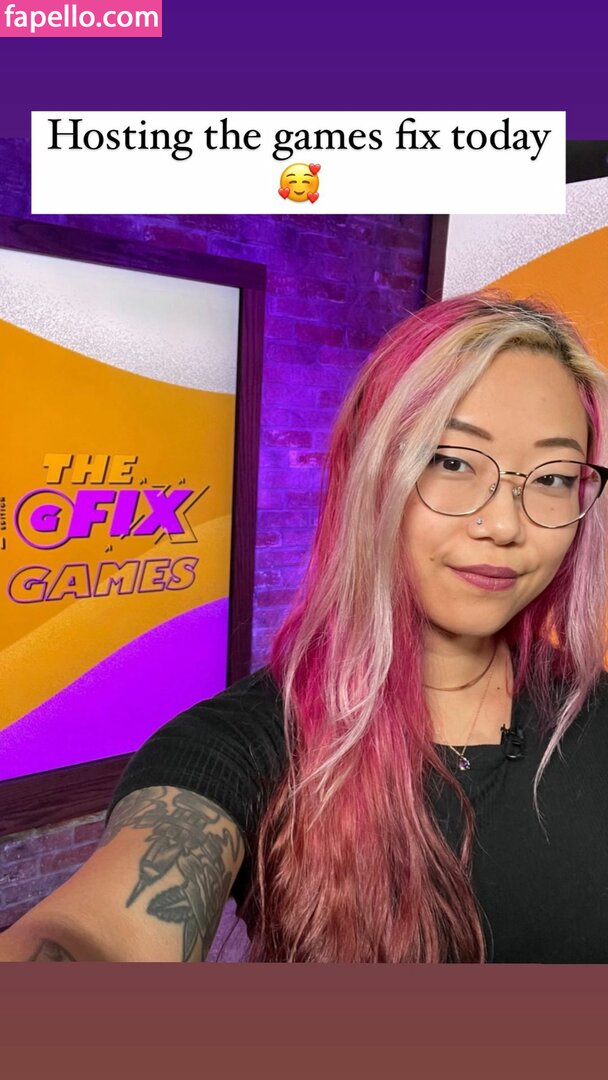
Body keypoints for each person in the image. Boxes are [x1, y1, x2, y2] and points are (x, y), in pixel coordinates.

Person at [3, 290, 608, 963]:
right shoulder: (248, 745)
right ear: (373, 470)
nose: (504, 524)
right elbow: (98, 936)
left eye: (554, 478)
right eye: (452, 461)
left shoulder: (594, 713)